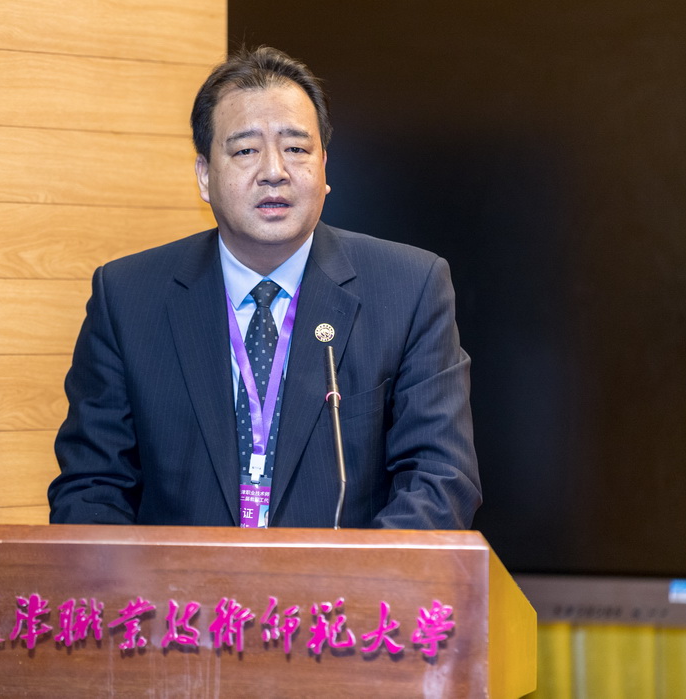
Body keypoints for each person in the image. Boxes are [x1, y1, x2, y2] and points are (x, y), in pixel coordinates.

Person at [48, 46, 480, 529]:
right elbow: (92, 487)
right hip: (177, 581)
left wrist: (350, 573)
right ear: (205, 176)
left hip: (344, 579)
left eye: (296, 149)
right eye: (246, 150)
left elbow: (439, 480)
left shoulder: (409, 288)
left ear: (324, 168)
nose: (274, 171)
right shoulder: (128, 297)